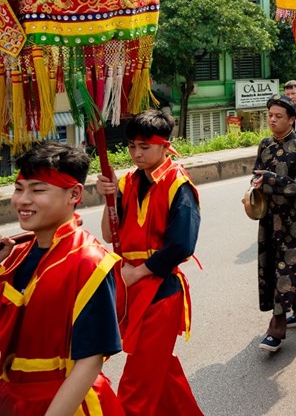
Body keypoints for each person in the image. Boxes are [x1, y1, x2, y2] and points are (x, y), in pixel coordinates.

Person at [0, 143, 124, 416]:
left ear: (74, 194)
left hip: (66, 403)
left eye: (38, 189)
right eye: (19, 189)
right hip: (13, 398)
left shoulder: (90, 262)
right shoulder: (16, 254)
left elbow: (90, 360)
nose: (22, 200)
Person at [96, 110, 203, 415]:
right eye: (132, 147)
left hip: (160, 291)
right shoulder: (127, 181)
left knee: (137, 384)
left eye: (144, 147)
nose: (137, 154)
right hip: (131, 286)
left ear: (164, 145)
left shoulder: (177, 184)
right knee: (158, 369)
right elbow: (108, 233)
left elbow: (182, 244)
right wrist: (106, 197)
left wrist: (138, 272)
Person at [253, 94, 296, 352]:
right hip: (270, 217)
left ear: (292, 119)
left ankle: (277, 327)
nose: (273, 120)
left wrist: (273, 180)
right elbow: (257, 174)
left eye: (279, 116)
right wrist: (256, 187)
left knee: (286, 268)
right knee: (274, 266)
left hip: (295, 219)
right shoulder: (265, 145)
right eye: (270, 115)